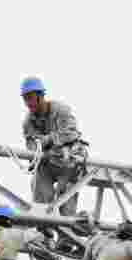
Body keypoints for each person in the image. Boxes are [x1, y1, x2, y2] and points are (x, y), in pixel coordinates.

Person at [21, 77, 88, 218]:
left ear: (40, 96)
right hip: (47, 163)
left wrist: (49, 139)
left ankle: (66, 237)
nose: (28, 103)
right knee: (41, 203)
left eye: (30, 98)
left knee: (66, 211)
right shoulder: (28, 122)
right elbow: (31, 146)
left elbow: (71, 133)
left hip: (69, 162)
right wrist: (36, 149)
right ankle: (43, 235)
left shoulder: (60, 110)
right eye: (25, 99)